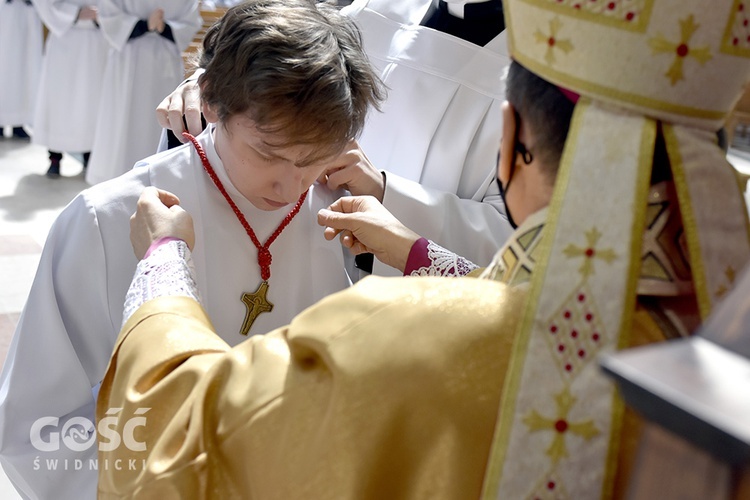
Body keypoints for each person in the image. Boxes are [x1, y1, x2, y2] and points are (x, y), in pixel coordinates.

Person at [96, 0, 750, 497]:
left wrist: (162, 266)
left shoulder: (398, 334)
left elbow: (182, 438)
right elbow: (537, 301)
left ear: (511, 136)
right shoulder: (728, 329)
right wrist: (415, 251)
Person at [0, 2, 384, 498]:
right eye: (268, 153)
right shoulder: (106, 219)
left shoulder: (344, 215)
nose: (291, 185)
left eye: (313, 159)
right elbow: (39, 427)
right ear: (210, 101)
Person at [157, 0, 514, 279]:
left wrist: (384, 192)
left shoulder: (550, 72)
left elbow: (525, 248)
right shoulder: (375, 12)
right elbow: (283, 59)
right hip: (296, 254)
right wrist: (210, 88)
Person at [83, 0, 202, 185]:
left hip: (164, 61)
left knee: (159, 120)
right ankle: (115, 178)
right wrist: (143, 25)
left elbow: (191, 20)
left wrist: (166, 27)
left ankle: (156, 178)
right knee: (122, 118)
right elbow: (108, 14)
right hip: (128, 57)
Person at [31, 0, 108, 178]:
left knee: (92, 101)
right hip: (65, 39)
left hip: (97, 42)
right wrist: (73, 13)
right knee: (60, 100)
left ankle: (90, 156)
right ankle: (55, 158)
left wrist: (101, 15)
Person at [0, 0, 43, 139]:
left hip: (28, 13)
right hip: (6, 13)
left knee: (25, 69)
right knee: (5, 67)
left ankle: (19, 122)